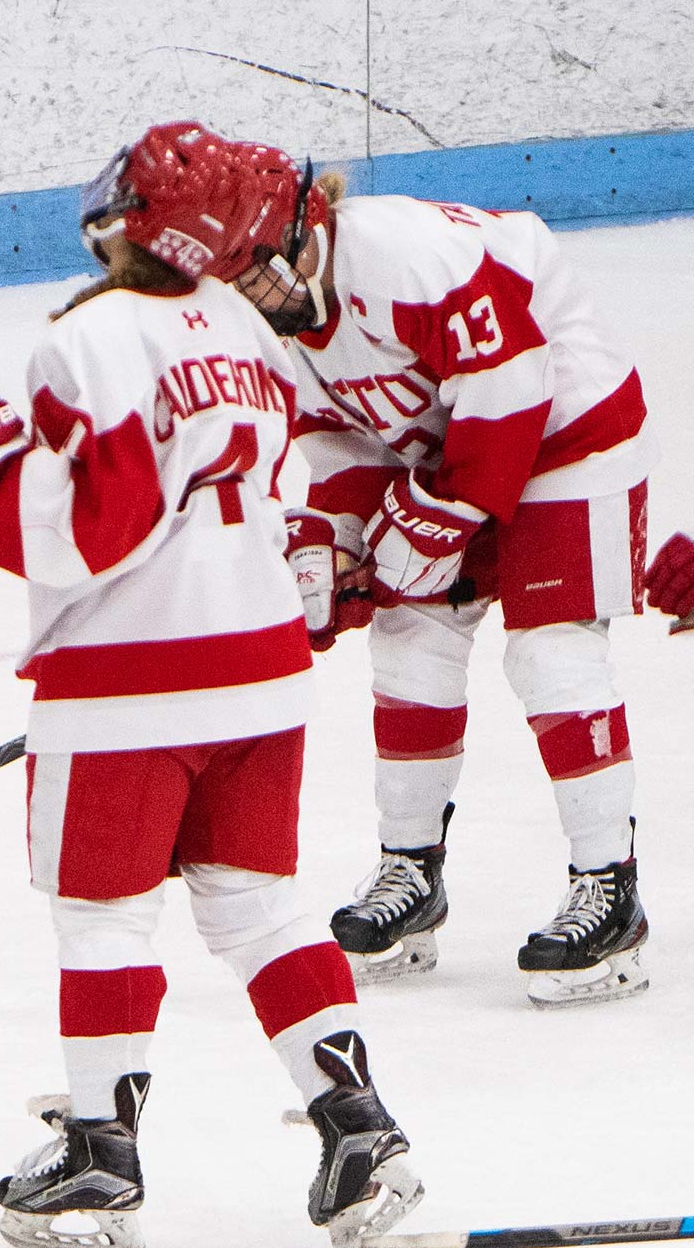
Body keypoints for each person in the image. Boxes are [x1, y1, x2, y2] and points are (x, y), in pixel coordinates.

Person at [0, 122, 419, 1248]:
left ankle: (98, 1159)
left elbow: (83, 533)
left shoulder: (91, 339)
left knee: (103, 919)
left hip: (127, 689)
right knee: (258, 910)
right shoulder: (242, 326)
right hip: (259, 675)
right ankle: (360, 1135)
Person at [219, 137, 654, 1007]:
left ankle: (612, 889)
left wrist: (444, 513)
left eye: (249, 272)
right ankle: (410, 873)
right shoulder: (275, 317)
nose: (239, 296)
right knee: (410, 636)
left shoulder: (408, 258)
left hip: (568, 430)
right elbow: (338, 438)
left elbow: (516, 389)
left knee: (551, 653)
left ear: (302, 234)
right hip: (454, 445)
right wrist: (329, 542)